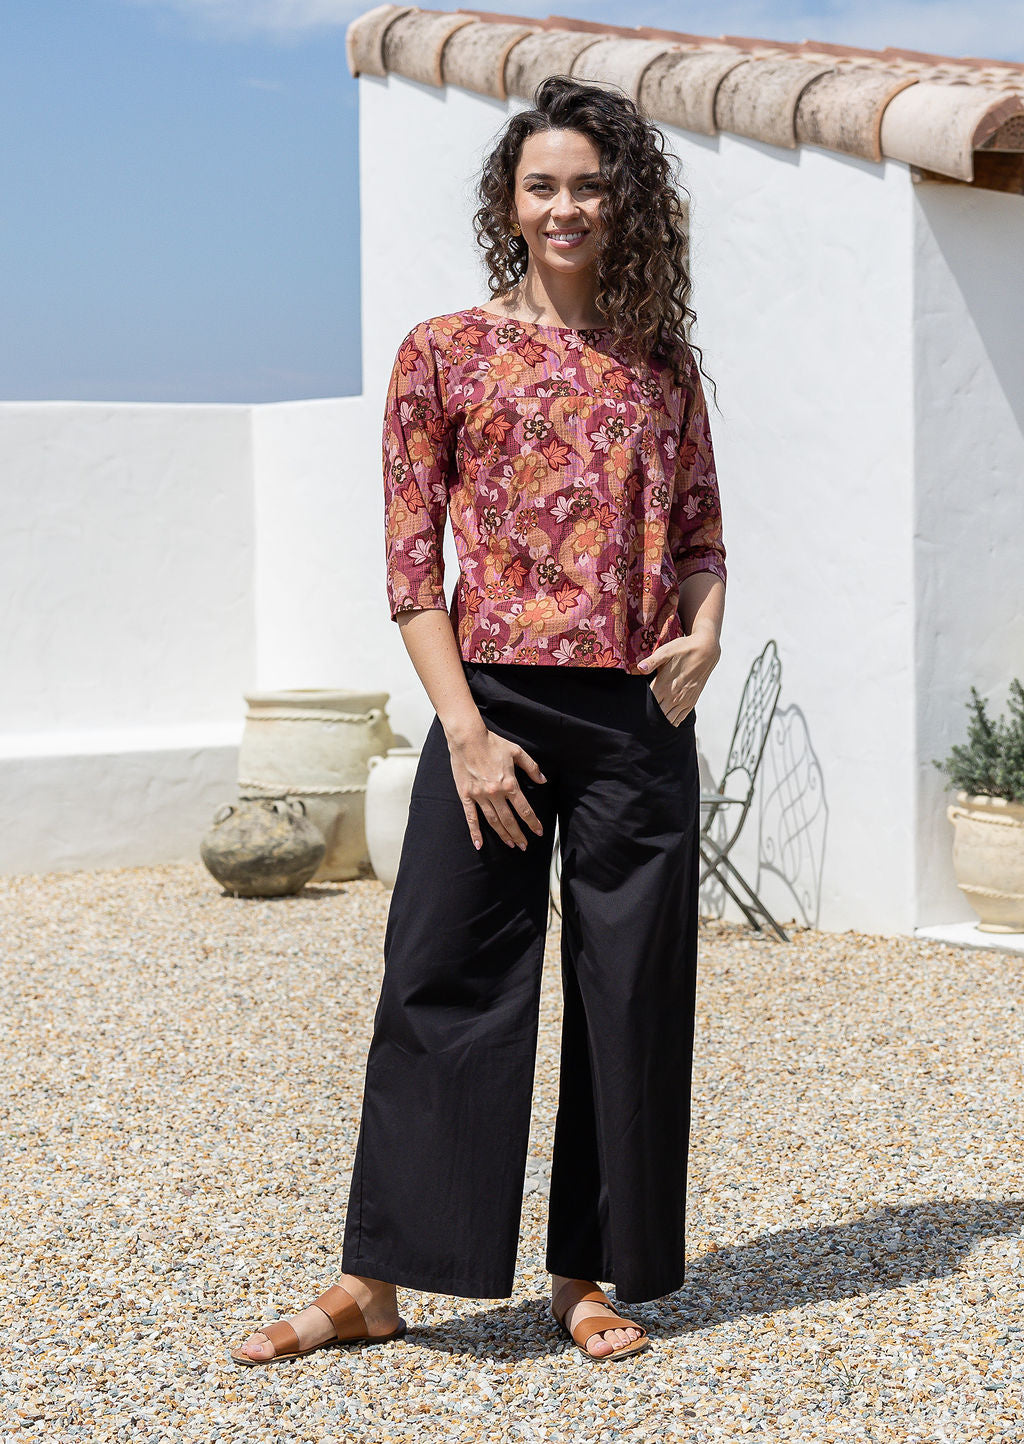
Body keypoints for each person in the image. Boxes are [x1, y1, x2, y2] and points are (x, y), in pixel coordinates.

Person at [230, 72, 726, 1368]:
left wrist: (708, 626)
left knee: (631, 1000)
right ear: (510, 203)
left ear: (624, 203)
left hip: (634, 722)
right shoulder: (442, 352)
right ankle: (373, 1283)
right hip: (490, 710)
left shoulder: (661, 364)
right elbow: (410, 568)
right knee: (440, 982)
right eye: (543, 183)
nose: (567, 203)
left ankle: (585, 1277)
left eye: (589, 183)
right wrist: (459, 727)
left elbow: (703, 536)